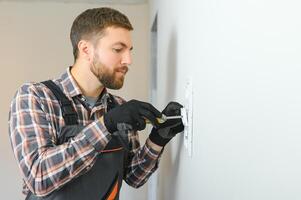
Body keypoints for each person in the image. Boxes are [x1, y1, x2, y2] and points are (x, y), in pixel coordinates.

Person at [8, 7, 184, 200]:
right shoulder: (35, 97)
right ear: (85, 50)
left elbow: (134, 177)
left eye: (129, 51)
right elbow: (39, 178)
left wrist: (157, 139)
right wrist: (106, 125)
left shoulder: (118, 106)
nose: (128, 60)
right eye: (118, 49)